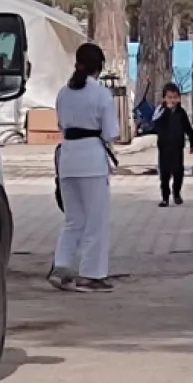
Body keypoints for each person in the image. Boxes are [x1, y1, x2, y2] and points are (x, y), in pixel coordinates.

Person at [48, 43, 120, 293]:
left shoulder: (63, 93)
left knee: (73, 220)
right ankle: (91, 273)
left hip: (68, 158)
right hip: (92, 160)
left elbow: (60, 123)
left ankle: (61, 266)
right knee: (96, 221)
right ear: (98, 67)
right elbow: (112, 132)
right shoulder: (100, 94)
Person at [151, 83, 193, 207]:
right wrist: (166, 110)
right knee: (164, 174)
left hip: (177, 148)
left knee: (178, 172)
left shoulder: (181, 113)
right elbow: (155, 125)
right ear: (164, 98)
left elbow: (188, 127)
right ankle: (165, 197)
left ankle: (176, 193)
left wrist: (192, 142)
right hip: (164, 148)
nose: (172, 100)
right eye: (169, 97)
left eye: (175, 97)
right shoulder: (160, 111)